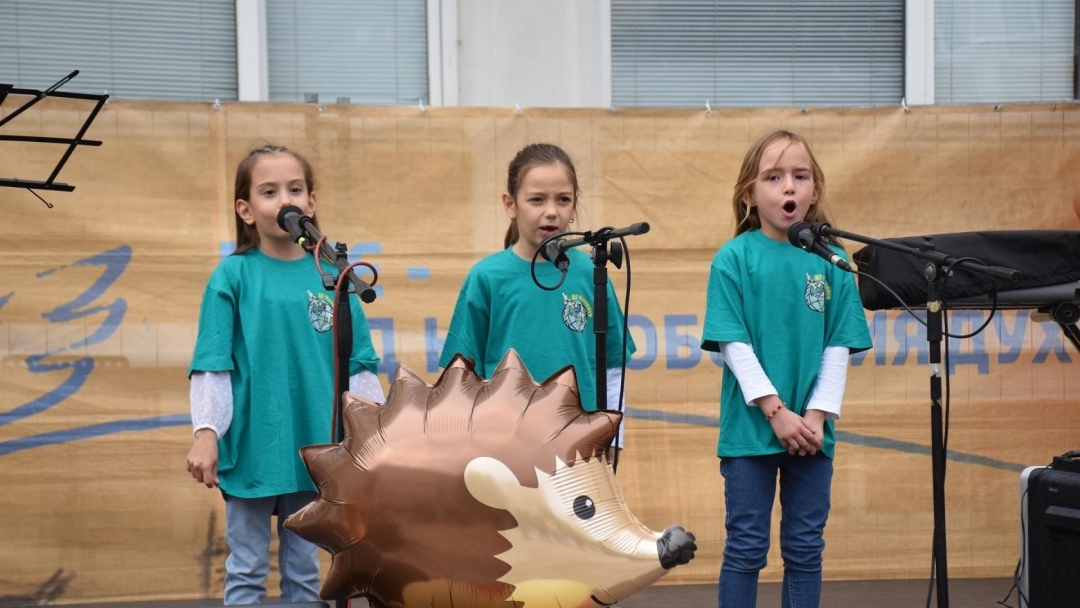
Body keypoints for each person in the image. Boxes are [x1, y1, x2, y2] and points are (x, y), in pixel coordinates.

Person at [185, 144, 384, 605]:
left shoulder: (334, 275)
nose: (284, 201)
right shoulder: (232, 276)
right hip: (253, 448)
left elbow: (359, 366)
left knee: (304, 575)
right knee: (247, 570)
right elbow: (213, 362)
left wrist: (372, 436)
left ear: (311, 202)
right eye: (269, 191)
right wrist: (206, 432)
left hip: (316, 449)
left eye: (295, 189)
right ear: (246, 209)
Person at [700, 130, 872, 608]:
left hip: (813, 433)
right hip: (752, 430)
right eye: (773, 178)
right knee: (747, 547)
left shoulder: (833, 261)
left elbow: (839, 343)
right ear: (749, 195)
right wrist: (776, 412)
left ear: (815, 190)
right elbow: (733, 344)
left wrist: (815, 416)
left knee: (804, 549)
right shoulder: (733, 259)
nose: (788, 188)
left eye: (800, 176)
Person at [438, 143, 635, 436]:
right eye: (537, 200)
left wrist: (611, 437)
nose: (551, 212)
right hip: (503, 445)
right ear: (510, 204)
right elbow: (460, 377)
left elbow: (612, 369)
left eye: (563, 199)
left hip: (579, 442)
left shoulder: (592, 273)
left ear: (574, 205)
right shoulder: (487, 277)